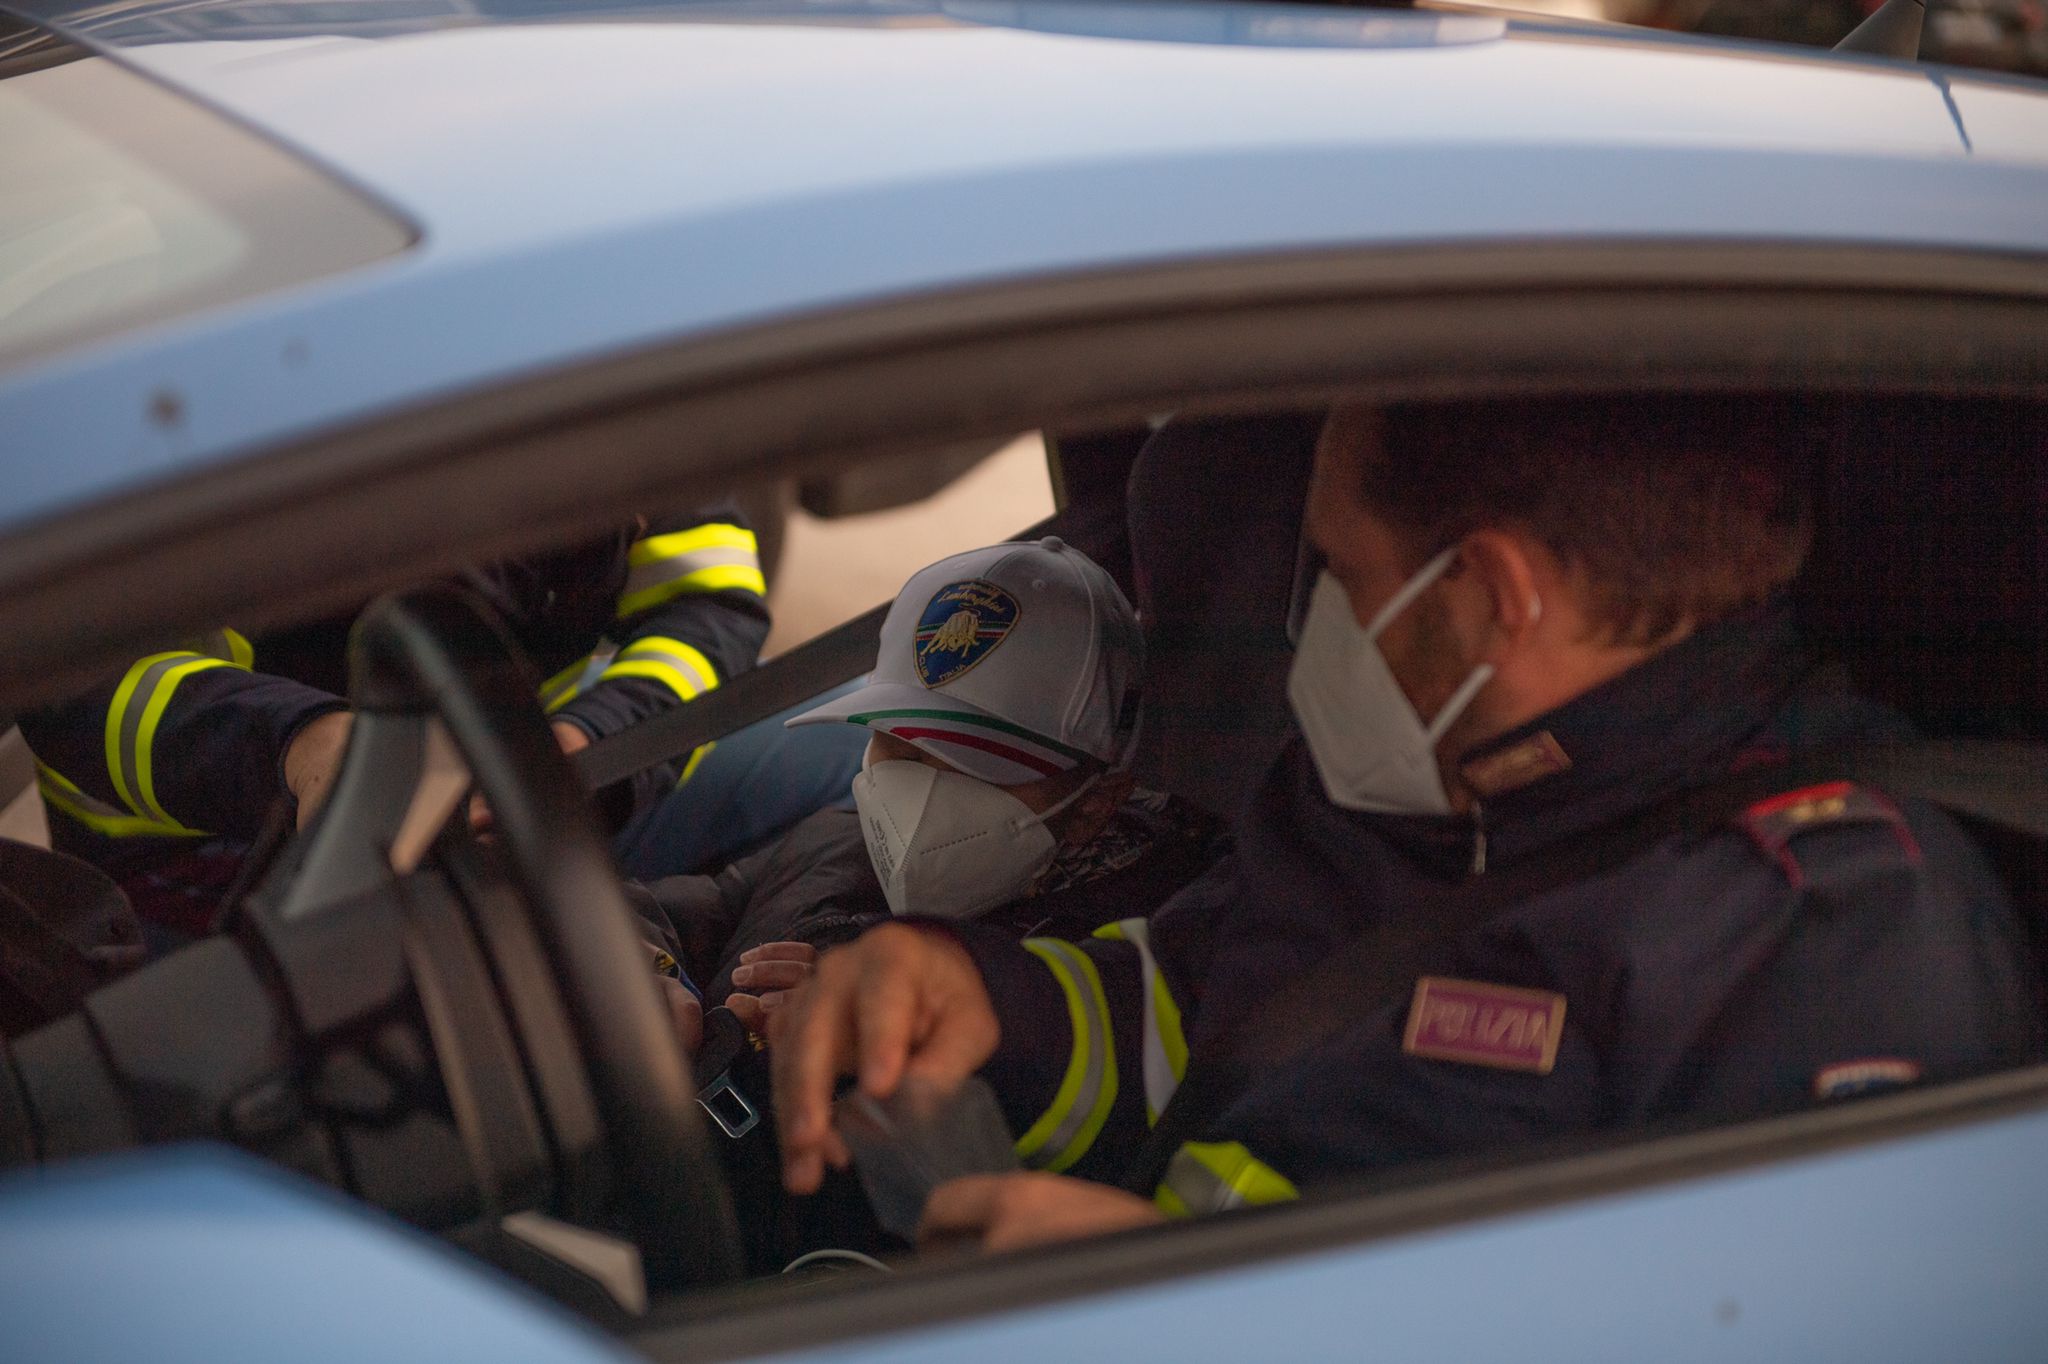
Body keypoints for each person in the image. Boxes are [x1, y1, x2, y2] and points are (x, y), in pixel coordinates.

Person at [769, 394, 2047, 1253]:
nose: (1310, 612)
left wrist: (1202, 1312)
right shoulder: (1420, 772)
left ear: (1487, 594)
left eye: (1340, 568)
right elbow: (1196, 1003)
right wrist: (976, 990)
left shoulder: (1834, 943)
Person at [20, 506, 769, 937]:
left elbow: (712, 594)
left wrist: (589, 739)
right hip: (214, 874)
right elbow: (62, 674)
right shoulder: (191, 400)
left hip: (552, 801)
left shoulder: (612, 351)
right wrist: (301, 741)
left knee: (842, 747)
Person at [628, 535, 1225, 1050]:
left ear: (1094, 805)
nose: (914, 798)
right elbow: (668, 909)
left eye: (969, 764)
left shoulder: (1124, 954)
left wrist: (898, 1045)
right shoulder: (836, 838)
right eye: (902, 746)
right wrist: (647, 975)